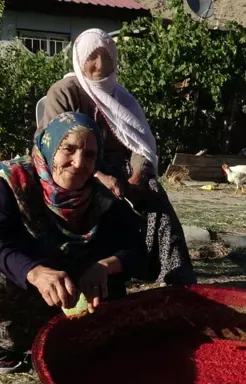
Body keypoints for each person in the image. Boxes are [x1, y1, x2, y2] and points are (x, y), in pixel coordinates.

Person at [0, 112, 146, 373]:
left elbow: (136, 249)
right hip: (20, 269)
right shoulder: (16, 181)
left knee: (108, 313)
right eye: (69, 149)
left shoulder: (101, 196)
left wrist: (104, 266)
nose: (78, 163)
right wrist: (33, 272)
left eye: (89, 155)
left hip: (68, 273)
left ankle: (53, 332)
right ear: (50, 147)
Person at [41, 28, 195, 286]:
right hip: (79, 169)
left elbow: (140, 145)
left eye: (107, 57)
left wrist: (138, 177)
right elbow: (52, 146)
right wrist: (99, 176)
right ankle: (109, 267)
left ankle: (175, 277)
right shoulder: (65, 92)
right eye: (93, 56)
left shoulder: (123, 98)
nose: (100, 64)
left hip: (121, 172)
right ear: (79, 60)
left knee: (154, 194)